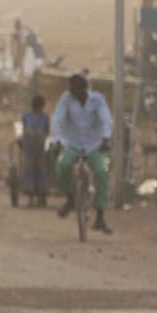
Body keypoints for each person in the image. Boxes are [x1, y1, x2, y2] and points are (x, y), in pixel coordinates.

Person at [52, 72, 114, 234]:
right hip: (72, 143)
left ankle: (100, 215)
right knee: (63, 165)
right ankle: (70, 197)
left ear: (86, 88)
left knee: (101, 173)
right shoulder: (66, 99)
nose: (75, 93)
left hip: (94, 144)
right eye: (72, 90)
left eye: (78, 90)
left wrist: (106, 138)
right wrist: (57, 140)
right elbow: (58, 119)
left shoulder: (97, 100)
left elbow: (106, 119)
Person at [18, 94, 52, 207]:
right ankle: (39, 197)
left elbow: (24, 130)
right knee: (39, 170)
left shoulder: (27, 116)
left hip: (30, 147)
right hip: (37, 146)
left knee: (30, 170)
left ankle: (32, 198)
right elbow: (47, 131)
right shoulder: (44, 117)